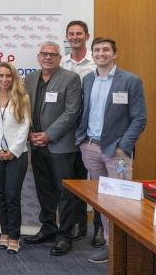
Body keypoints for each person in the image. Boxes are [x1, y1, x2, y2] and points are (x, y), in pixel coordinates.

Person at [75, 37, 147, 263]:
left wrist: (123, 146)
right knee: (104, 200)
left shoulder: (130, 81)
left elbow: (139, 118)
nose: (101, 53)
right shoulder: (87, 79)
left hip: (118, 153)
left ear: (114, 54)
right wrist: (82, 140)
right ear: (93, 54)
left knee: (123, 200)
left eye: (106, 50)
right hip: (91, 148)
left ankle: (128, 248)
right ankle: (110, 243)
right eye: (97, 50)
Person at [22, 41, 82, 257]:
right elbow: (24, 109)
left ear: (59, 58)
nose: (48, 57)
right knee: (44, 189)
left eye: (52, 55)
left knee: (65, 193)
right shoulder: (30, 78)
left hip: (60, 146)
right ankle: (48, 228)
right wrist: (29, 133)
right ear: (38, 57)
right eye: (44, 54)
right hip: (36, 145)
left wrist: (48, 135)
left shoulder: (71, 78)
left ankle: (64, 236)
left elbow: (71, 112)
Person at [61, 20, 103, 247]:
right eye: (71, 34)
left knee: (96, 182)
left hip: (90, 132)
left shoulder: (95, 64)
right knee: (75, 179)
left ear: (87, 36)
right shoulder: (63, 63)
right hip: (67, 134)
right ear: (67, 37)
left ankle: (99, 226)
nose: (75, 37)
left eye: (79, 34)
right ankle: (79, 224)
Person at [0, 62, 30, 254]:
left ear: (13, 77)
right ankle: (4, 232)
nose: (4, 79)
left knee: (12, 196)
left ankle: (15, 236)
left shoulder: (22, 97)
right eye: (0, 76)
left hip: (17, 155)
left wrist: (12, 150)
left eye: (8, 76)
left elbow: (24, 127)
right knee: (1, 195)